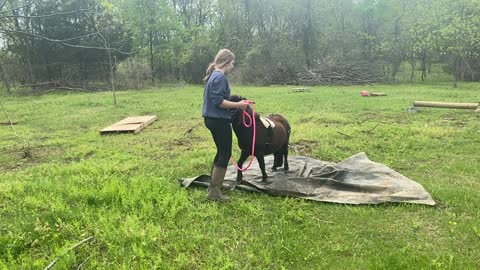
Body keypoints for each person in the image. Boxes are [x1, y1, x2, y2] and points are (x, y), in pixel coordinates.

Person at [202, 49, 249, 202]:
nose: (233, 66)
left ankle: (214, 186)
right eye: (232, 63)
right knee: (225, 154)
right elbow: (218, 102)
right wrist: (238, 105)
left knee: (221, 151)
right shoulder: (219, 77)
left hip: (211, 119)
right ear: (226, 62)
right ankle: (214, 193)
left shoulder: (213, 75)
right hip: (218, 120)